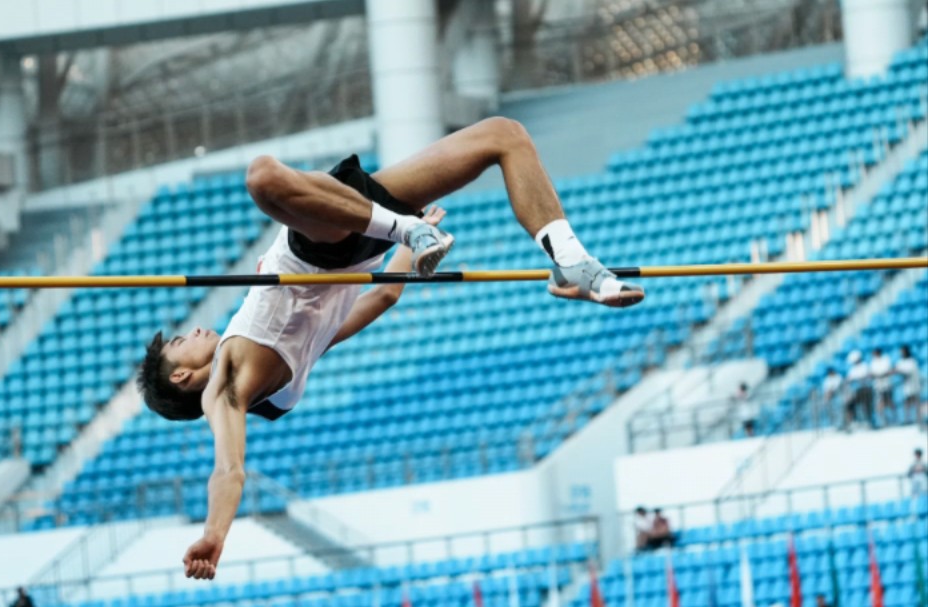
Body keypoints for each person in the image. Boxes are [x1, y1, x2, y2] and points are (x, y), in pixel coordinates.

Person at [135, 118, 646, 581]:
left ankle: (572, 261)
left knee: (504, 135)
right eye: (180, 344)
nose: (193, 333)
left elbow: (384, 293)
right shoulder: (223, 384)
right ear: (181, 378)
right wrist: (215, 534)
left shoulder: (293, 368)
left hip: (357, 226)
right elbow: (229, 468)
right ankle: (408, 226)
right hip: (326, 242)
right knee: (263, 177)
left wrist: (407, 246)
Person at [844, 350, 874, 431]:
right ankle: (853, 422)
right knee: (849, 404)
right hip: (858, 391)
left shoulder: (865, 366)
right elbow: (849, 379)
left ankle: (869, 422)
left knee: (866, 405)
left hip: (866, 390)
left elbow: (865, 377)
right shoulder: (853, 369)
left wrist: (857, 379)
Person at [894, 345, 923, 427]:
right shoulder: (900, 362)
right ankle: (908, 419)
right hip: (907, 386)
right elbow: (896, 369)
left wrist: (898, 371)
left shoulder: (912, 361)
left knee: (916, 403)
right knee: (907, 403)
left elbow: (908, 372)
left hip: (914, 385)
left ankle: (919, 420)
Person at [869, 348, 894, 426]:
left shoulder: (885, 359)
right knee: (880, 404)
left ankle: (894, 419)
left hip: (886, 384)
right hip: (878, 386)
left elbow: (888, 370)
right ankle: (884, 421)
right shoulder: (873, 362)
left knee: (889, 402)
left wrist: (882, 375)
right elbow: (872, 373)